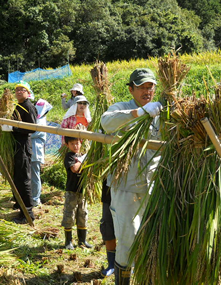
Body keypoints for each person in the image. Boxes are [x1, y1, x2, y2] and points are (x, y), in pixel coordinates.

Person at [100, 68, 162, 285]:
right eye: (142, 87)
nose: (147, 91)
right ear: (131, 89)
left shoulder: (162, 112)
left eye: (150, 87)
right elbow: (106, 122)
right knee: (126, 242)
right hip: (125, 187)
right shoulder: (122, 109)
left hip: (153, 188)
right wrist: (140, 112)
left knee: (153, 239)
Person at [1, 81, 37, 224]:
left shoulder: (28, 106)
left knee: (23, 180)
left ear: (28, 93)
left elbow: (33, 128)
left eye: (22, 90)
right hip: (16, 146)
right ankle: (19, 205)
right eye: (17, 90)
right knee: (17, 178)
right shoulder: (19, 106)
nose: (19, 92)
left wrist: (13, 129)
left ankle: (27, 213)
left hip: (23, 147)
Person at [62, 136, 92, 250]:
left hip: (82, 191)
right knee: (69, 215)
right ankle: (68, 241)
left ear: (81, 143)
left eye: (77, 143)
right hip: (72, 191)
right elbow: (75, 169)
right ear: (67, 145)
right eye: (72, 144)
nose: (76, 146)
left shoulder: (83, 156)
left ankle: (82, 240)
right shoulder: (69, 157)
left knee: (82, 215)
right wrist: (83, 159)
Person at [31, 99, 53, 207]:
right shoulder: (37, 118)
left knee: (35, 175)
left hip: (36, 149)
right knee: (31, 175)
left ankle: (35, 199)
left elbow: (34, 133)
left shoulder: (40, 120)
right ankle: (32, 197)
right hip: (32, 149)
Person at [100, 180, 116, 277]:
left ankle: (128, 264)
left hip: (129, 194)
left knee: (128, 230)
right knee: (108, 227)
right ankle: (111, 265)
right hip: (108, 194)